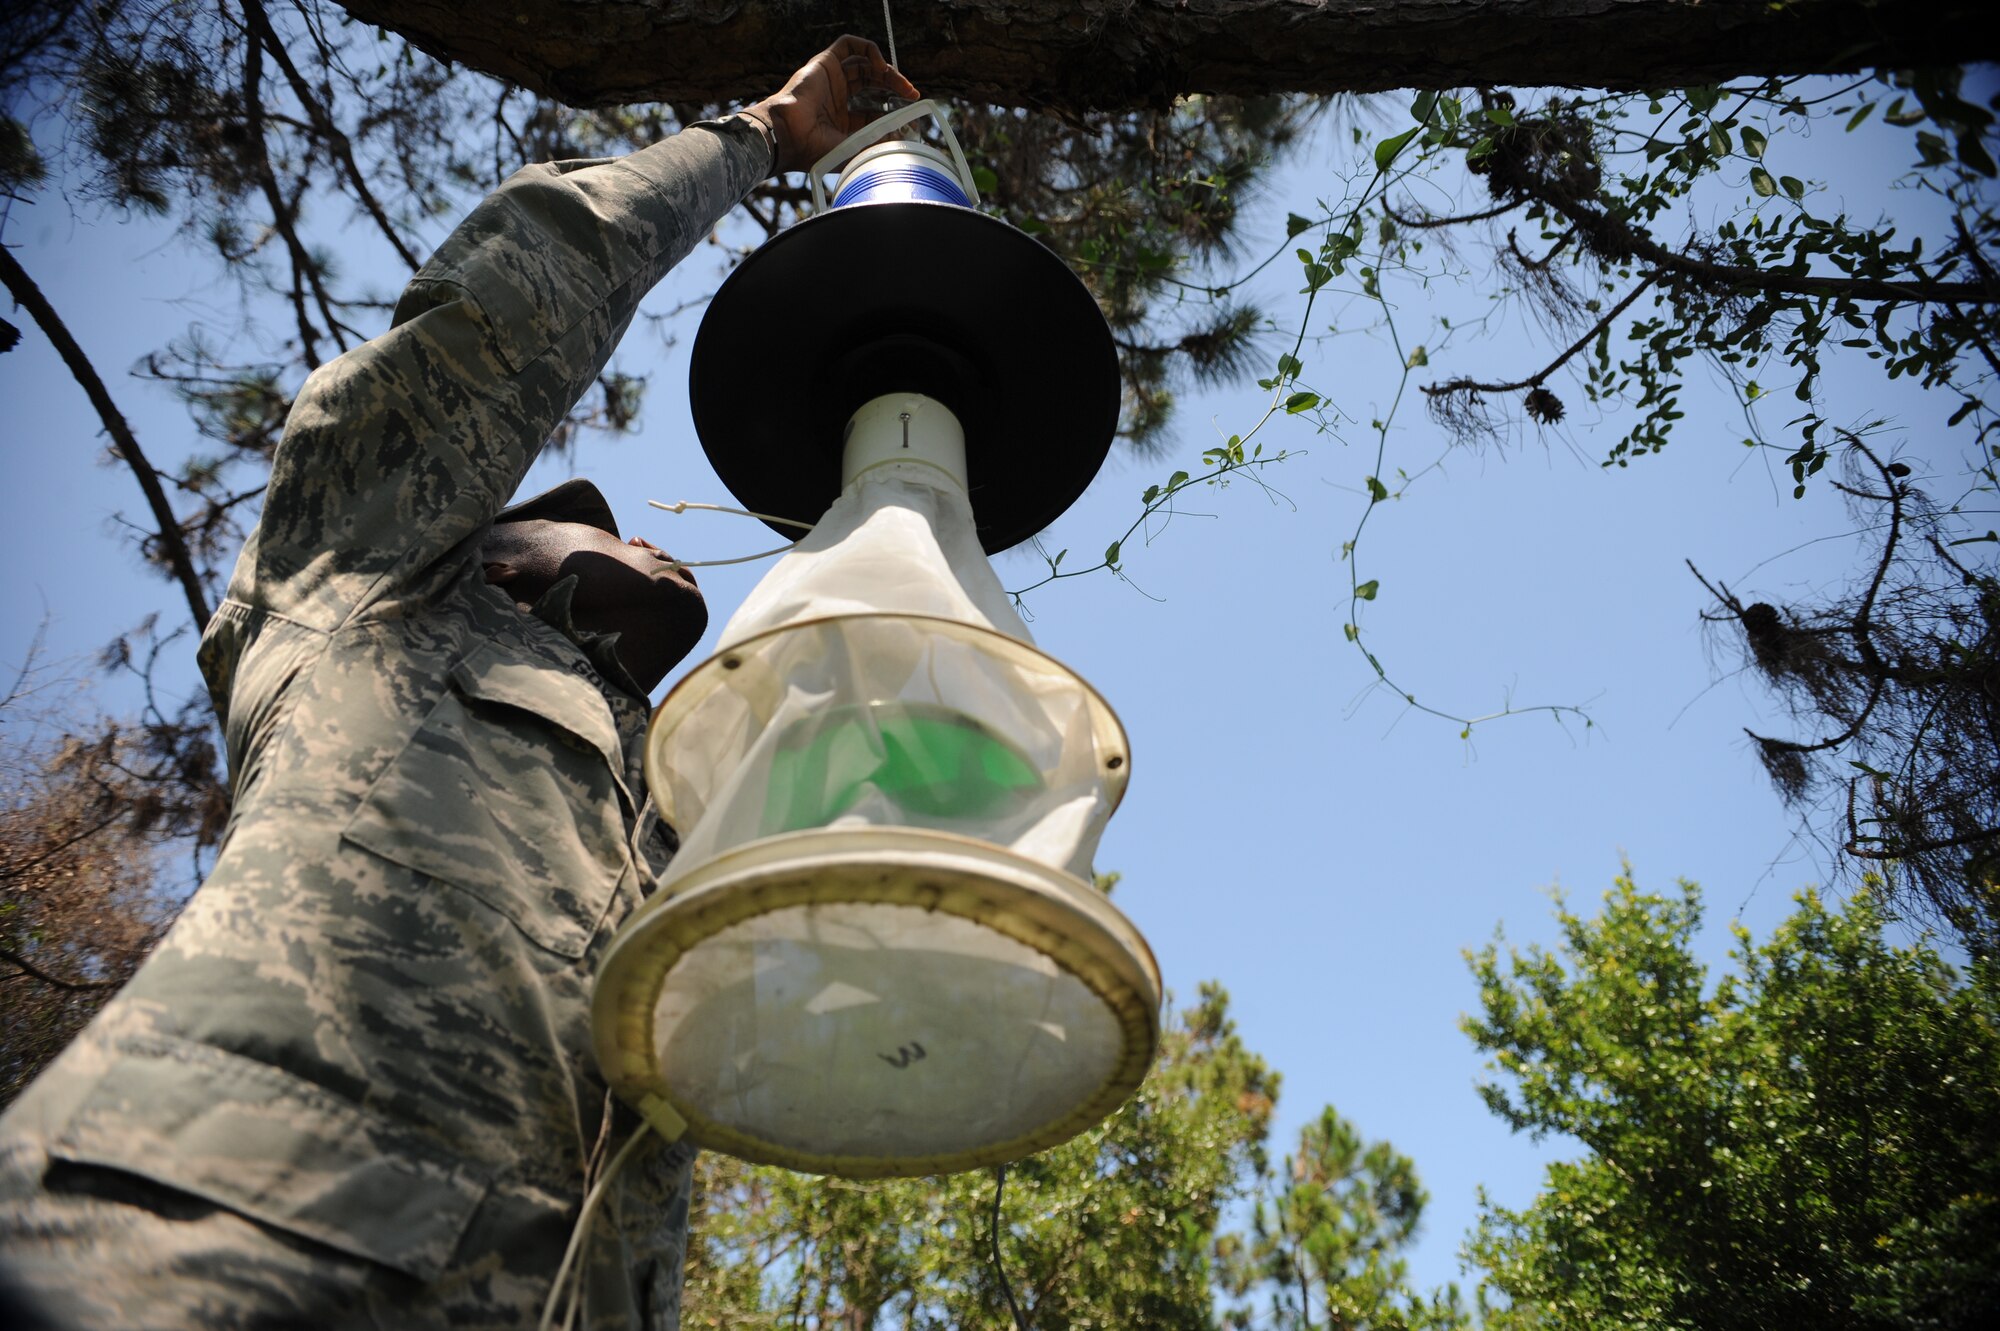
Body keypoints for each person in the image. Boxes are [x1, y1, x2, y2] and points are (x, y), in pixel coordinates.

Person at [0, 35, 918, 1330]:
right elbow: (520, 292)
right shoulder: (367, 591)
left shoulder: (667, 809)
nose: (643, 534)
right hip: (190, 1265)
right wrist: (762, 139)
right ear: (487, 554)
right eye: (595, 520)